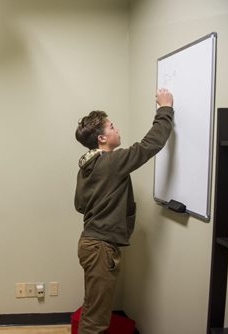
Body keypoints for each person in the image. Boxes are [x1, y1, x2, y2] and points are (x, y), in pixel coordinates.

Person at [74, 88, 174, 333]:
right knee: (96, 321)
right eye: (111, 126)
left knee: (92, 308)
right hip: (101, 248)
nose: (116, 129)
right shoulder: (112, 162)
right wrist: (165, 109)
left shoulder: (87, 165)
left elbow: (79, 205)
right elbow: (149, 145)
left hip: (90, 243)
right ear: (102, 139)